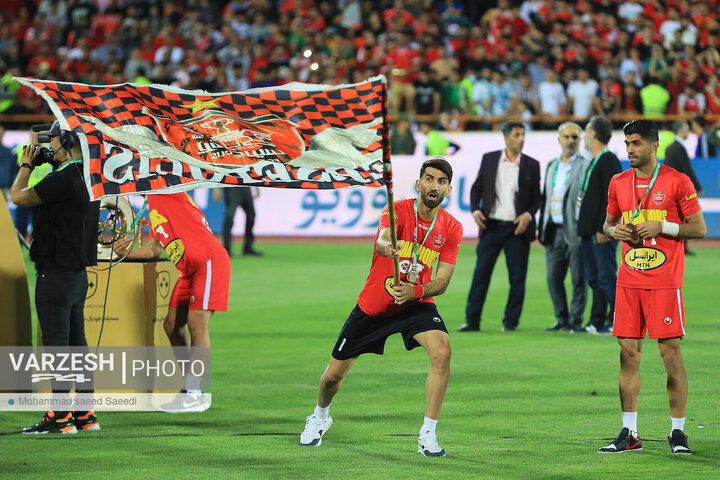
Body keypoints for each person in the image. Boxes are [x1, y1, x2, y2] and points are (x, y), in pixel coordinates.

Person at [298, 158, 462, 457]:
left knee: (442, 351)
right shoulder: (396, 209)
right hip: (375, 305)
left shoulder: (451, 228)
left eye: (440, 181)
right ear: (419, 184)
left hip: (415, 303)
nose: (433, 185)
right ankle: (319, 416)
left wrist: (416, 291)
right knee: (333, 376)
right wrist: (388, 247)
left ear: (448, 189)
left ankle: (428, 432)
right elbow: (382, 238)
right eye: (428, 178)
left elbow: (443, 280)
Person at [599, 118, 706, 455]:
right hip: (628, 281)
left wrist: (663, 226)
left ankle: (677, 433)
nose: (630, 149)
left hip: (664, 282)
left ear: (653, 145)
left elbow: (699, 228)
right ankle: (629, 432)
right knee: (627, 355)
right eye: (627, 143)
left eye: (636, 144)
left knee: (669, 355)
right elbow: (607, 222)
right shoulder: (618, 181)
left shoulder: (677, 181)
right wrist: (614, 231)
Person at [11, 120, 100, 434]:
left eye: (54, 141)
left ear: (67, 141)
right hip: (77, 276)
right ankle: (85, 415)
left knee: (58, 348)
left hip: (55, 274)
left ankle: (59, 417)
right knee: (79, 347)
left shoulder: (63, 179)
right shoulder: (90, 176)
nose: (50, 147)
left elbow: (17, 197)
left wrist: (25, 164)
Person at [113, 191, 231, 412]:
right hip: (187, 270)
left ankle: (193, 392)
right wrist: (123, 252)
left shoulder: (169, 190)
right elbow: (155, 249)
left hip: (208, 261)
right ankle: (190, 388)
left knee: (197, 324)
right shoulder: (153, 207)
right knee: (172, 325)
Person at [459, 122, 541, 332]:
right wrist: (476, 211)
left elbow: (536, 198)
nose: (521, 138)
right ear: (506, 138)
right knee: (480, 275)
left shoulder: (532, 164)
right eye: (516, 135)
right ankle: (472, 320)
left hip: (517, 229)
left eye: (523, 134)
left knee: (517, 279)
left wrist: (528, 215)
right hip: (491, 227)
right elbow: (476, 188)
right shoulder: (489, 159)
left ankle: (511, 322)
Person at [538, 122, 589, 331]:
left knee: (579, 277)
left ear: (580, 140)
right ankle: (562, 317)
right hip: (553, 229)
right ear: (559, 139)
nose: (571, 141)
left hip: (575, 230)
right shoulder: (551, 165)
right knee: (553, 278)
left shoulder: (586, 165)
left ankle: (576, 320)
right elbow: (546, 197)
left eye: (575, 137)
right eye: (567, 137)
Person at [576, 115, 622, 334]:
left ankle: (618, 319)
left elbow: (612, 198)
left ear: (593, 134)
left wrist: (606, 228)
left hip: (600, 232)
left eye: (586, 131)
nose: (584, 136)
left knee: (606, 278)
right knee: (594, 279)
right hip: (589, 232)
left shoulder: (609, 160)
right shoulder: (595, 160)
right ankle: (597, 320)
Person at [664, 121, 703, 256]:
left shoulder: (669, 148)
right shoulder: (680, 148)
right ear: (680, 130)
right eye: (686, 129)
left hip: (669, 188)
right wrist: (697, 187)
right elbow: (687, 170)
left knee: (672, 217)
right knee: (683, 219)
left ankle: (672, 246)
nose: (688, 132)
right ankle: (682, 247)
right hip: (680, 190)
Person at [13, 126, 52, 241]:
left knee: (39, 225)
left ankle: (37, 246)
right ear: (29, 135)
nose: (35, 137)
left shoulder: (48, 151)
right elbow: (15, 171)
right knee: (21, 223)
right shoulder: (21, 149)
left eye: (37, 135)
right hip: (24, 191)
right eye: (33, 135)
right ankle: (19, 247)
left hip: (40, 192)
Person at [212, 186, 263, 257]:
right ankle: (227, 249)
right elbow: (220, 174)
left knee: (251, 216)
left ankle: (248, 248)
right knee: (229, 218)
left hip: (245, 185)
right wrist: (216, 188)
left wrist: (257, 187)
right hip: (231, 186)